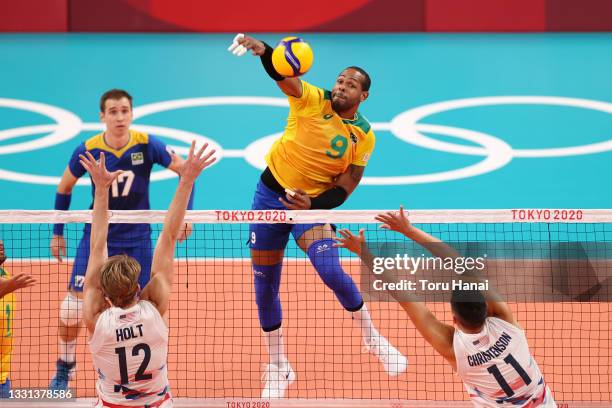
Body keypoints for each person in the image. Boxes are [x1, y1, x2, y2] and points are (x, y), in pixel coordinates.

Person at [229, 34, 407, 398]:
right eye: (340, 80)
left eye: (351, 84)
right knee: (265, 286)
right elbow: (284, 79)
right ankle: (278, 366)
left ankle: (373, 339)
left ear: (363, 96)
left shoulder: (364, 136)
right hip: (269, 197)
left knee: (330, 269)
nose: (342, 86)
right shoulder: (312, 99)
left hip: (310, 206)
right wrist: (266, 52)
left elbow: (346, 185)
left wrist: (313, 206)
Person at [334, 206, 556, 407]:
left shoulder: (453, 348)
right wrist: (409, 231)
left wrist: (364, 252)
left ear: (454, 319)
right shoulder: (505, 321)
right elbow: (462, 267)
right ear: (488, 308)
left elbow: (403, 294)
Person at [49, 89, 194, 391]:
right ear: (102, 116)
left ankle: (138, 371)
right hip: (99, 235)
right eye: (113, 111)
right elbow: (65, 187)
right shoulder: (86, 149)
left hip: (137, 236)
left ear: (131, 113)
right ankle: (64, 368)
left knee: (142, 308)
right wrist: (57, 232)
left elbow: (185, 171)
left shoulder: (146, 144)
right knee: (71, 310)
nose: (119, 117)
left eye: (124, 110)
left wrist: (187, 216)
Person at [80, 142, 215, 408]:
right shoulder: (153, 308)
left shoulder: (96, 319)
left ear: (104, 293)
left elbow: (97, 245)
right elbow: (168, 235)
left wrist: (102, 189)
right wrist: (186, 180)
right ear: (138, 287)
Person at [0, 240, 37, 398]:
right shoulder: (9, 282)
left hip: (2, 377)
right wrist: (7, 287)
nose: (1, 243)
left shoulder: (6, 276)